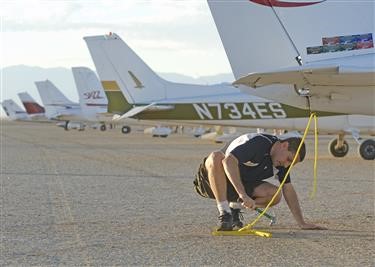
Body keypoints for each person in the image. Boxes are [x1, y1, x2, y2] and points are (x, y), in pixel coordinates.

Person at [194, 132, 327, 231]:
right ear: (284, 145)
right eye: (289, 159)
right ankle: (225, 213)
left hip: (238, 185)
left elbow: (288, 189)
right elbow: (229, 161)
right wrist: (243, 195)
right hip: (209, 181)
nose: (287, 165)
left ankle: (235, 208)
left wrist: (302, 223)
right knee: (216, 156)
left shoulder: (281, 163)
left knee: (274, 194)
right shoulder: (258, 143)